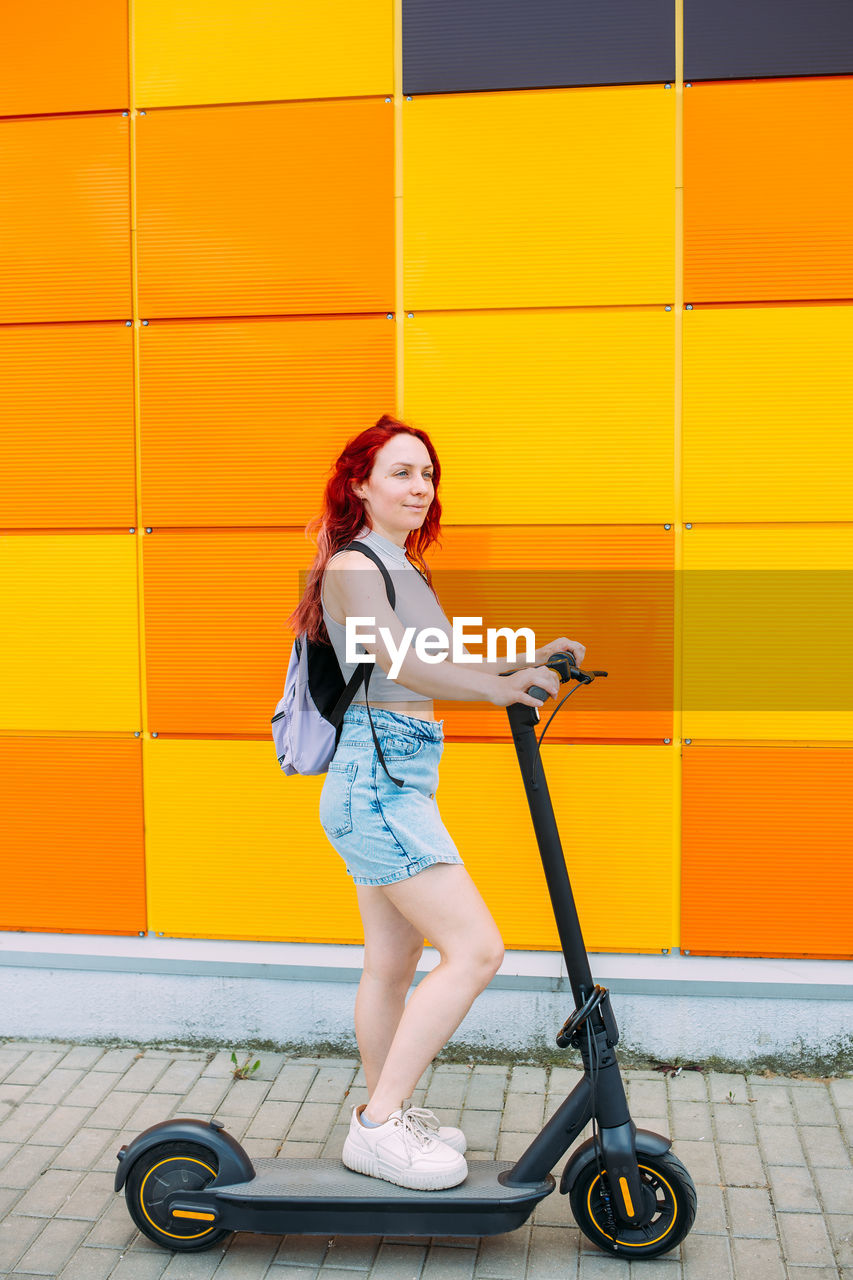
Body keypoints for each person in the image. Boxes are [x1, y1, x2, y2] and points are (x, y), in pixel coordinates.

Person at [288, 414, 586, 1191]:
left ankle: (385, 1111)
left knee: (392, 964)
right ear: (359, 485)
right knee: (477, 950)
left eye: (427, 475)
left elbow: (440, 662)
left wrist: (528, 660)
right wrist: (499, 690)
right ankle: (381, 1126)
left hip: (394, 777)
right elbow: (404, 667)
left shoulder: (403, 568)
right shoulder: (356, 568)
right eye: (401, 473)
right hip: (377, 780)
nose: (420, 487)